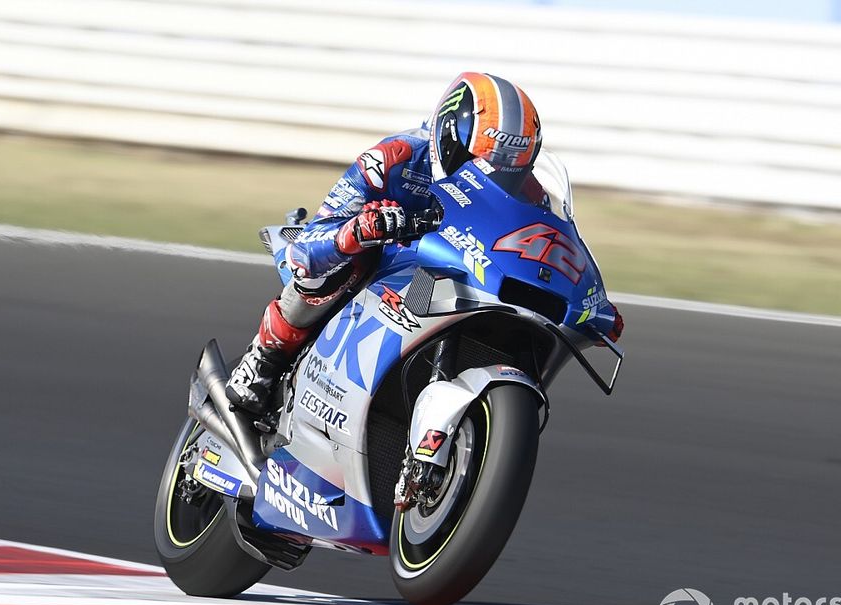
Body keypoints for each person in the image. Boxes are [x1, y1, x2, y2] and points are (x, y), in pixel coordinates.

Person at [226, 72, 624, 416]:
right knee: (336, 262)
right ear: (452, 133)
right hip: (384, 267)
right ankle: (265, 357)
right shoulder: (395, 158)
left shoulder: (532, 195)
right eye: (488, 158)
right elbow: (310, 242)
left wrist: (588, 298)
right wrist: (360, 230)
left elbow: (541, 246)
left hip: (454, 279)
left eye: (511, 163)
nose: (499, 171)